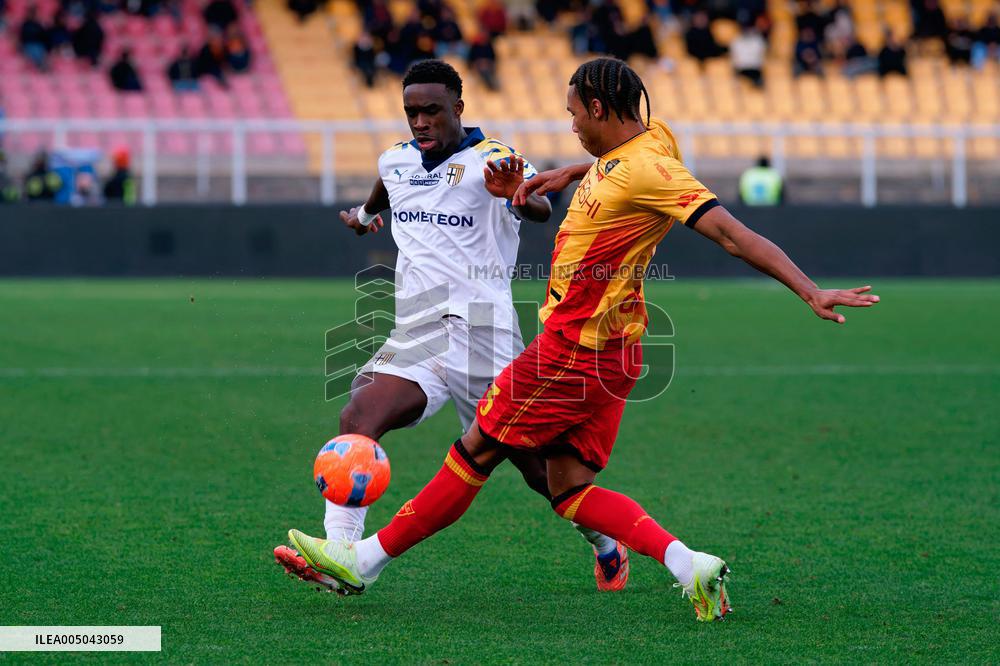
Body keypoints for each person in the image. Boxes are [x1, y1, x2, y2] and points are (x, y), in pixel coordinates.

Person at [284, 57, 879, 621]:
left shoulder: (643, 167)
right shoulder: (646, 142)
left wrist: (809, 290)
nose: (570, 126)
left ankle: (360, 562)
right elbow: (621, 168)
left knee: (476, 456)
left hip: (564, 348)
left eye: (575, 115)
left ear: (598, 106)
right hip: (610, 351)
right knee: (565, 487)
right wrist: (575, 171)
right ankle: (688, 563)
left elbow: (729, 232)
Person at [274, 60, 628, 594]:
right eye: (412, 111)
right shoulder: (396, 160)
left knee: (542, 475)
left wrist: (518, 195)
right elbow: (388, 184)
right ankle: (342, 559)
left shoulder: (496, 160)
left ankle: (606, 545)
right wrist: (367, 215)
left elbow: (537, 207)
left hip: (485, 333)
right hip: (419, 329)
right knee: (358, 412)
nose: (420, 121)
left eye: (432, 110)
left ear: (458, 108)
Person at [19, 6, 49, 71]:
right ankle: (33, 69)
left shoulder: (39, 25)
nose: (32, 15)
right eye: (31, 13)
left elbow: (44, 36)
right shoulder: (25, 24)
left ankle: (40, 70)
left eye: (34, 13)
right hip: (28, 45)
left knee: (40, 52)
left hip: (38, 46)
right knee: (31, 55)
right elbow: (22, 37)